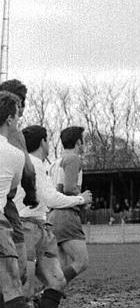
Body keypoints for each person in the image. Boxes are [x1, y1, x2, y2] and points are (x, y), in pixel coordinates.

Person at [17, 125, 91, 308]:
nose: (50, 144)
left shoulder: (43, 165)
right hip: (27, 229)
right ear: (42, 143)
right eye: (47, 140)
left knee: (57, 281)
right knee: (21, 291)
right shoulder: (32, 165)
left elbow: (50, 195)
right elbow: (50, 196)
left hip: (43, 226)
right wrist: (80, 199)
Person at [0, 91, 50, 308]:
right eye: (17, 116)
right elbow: (11, 189)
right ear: (10, 118)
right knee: (11, 286)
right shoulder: (14, 154)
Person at [48, 126, 93, 297]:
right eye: (83, 140)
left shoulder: (55, 163)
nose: (84, 144)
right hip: (66, 215)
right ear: (77, 142)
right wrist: (82, 198)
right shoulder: (73, 158)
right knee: (82, 261)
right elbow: (68, 188)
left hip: (52, 216)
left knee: (60, 265)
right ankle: (45, 294)